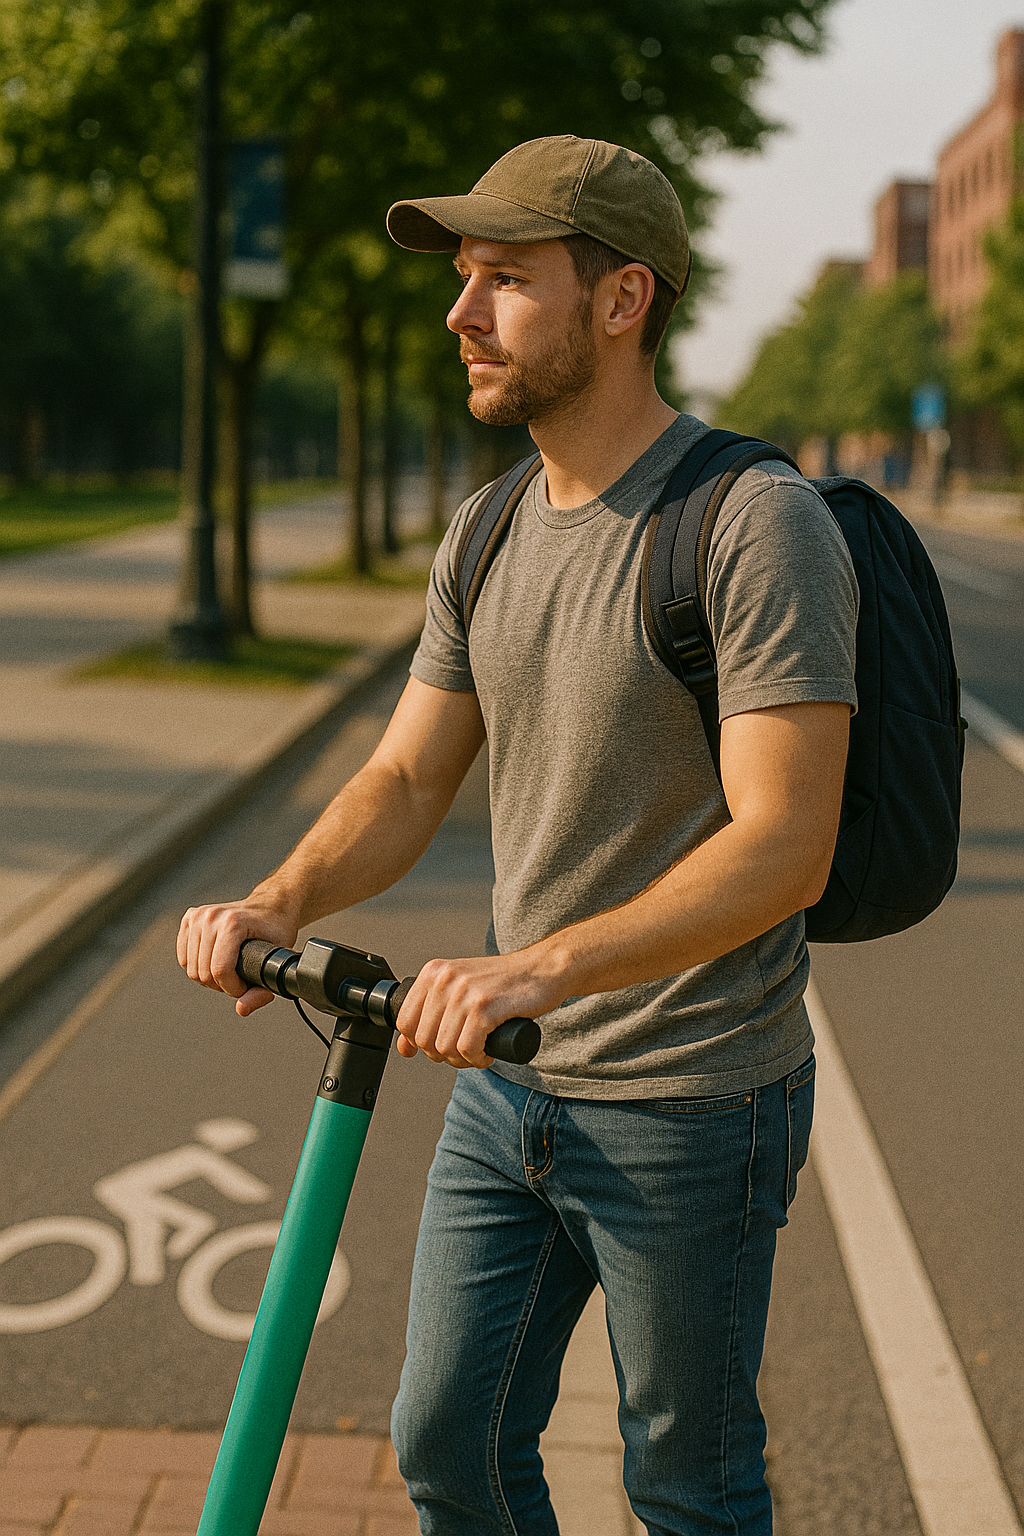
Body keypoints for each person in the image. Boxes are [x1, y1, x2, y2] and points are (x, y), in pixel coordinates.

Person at [178, 135, 857, 1535]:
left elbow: (787, 843)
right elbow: (410, 777)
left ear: (622, 303)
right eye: (462, 279)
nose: (460, 312)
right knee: (447, 1447)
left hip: (693, 1095)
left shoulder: (750, 523)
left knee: (690, 1486)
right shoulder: (485, 531)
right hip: (506, 1093)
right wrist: (283, 896)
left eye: (505, 278)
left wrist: (534, 970)